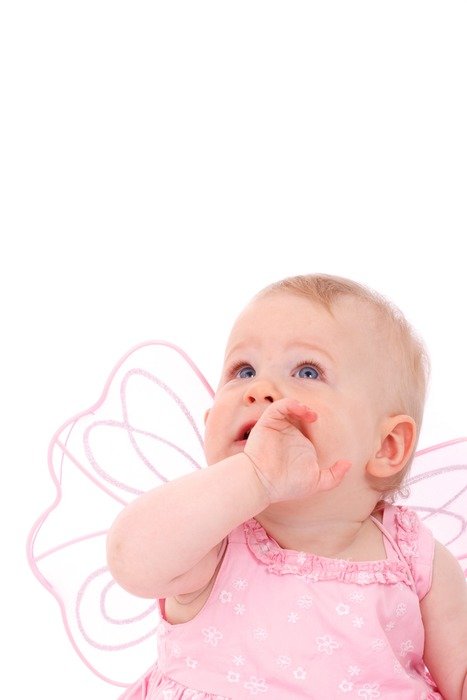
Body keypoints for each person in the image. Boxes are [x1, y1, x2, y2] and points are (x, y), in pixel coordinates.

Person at [107, 273, 467, 699]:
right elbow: (132, 559)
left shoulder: (414, 557)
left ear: (387, 445)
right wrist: (253, 477)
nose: (260, 390)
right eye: (243, 370)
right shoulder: (212, 539)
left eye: (307, 371)